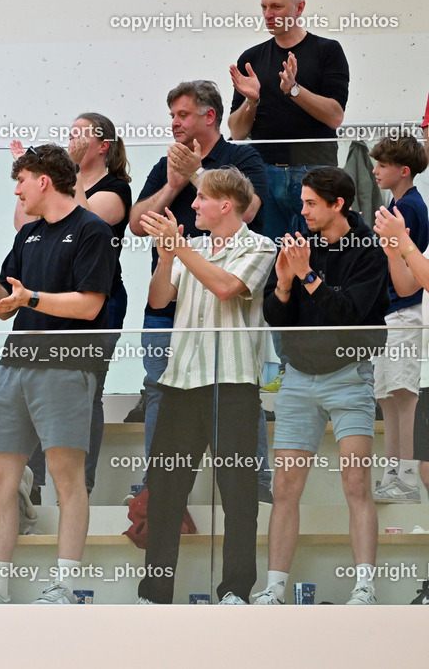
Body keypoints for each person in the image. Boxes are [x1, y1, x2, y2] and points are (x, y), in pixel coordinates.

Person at [0, 144, 116, 604]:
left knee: (67, 479)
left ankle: (65, 587)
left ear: (43, 180)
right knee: (0, 477)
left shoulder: (93, 231)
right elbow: (5, 307)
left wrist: (31, 299)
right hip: (13, 365)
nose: (17, 191)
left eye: (21, 180)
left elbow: (90, 305)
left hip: (66, 366)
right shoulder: (26, 237)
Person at [135, 167, 276, 605]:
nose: (192, 205)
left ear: (225, 205)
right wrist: (165, 257)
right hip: (180, 382)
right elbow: (159, 300)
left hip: (233, 385)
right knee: (164, 495)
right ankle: (154, 595)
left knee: (238, 495)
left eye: (200, 199)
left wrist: (180, 251)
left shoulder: (259, 245)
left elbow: (225, 287)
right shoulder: (189, 247)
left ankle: (235, 591)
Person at [127, 80, 271, 501]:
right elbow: (138, 223)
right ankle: (159, 489)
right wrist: (173, 184)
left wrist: (195, 173)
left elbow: (252, 207)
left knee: (240, 397)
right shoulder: (164, 164)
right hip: (170, 294)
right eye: (171, 115)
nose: (174, 123)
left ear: (210, 117)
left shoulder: (242, 156)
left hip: (221, 306)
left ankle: (255, 485)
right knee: (160, 390)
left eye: (183, 115)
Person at [255, 167, 388, 605]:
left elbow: (349, 315)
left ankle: (364, 587)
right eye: (303, 202)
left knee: (355, 483)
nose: (303, 210)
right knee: (285, 489)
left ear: (338, 205)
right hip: (298, 378)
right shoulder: (299, 242)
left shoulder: (367, 249)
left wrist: (308, 276)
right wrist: (286, 284)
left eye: (312, 203)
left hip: (349, 377)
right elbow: (276, 317)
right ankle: (274, 589)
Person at [228, 0, 349, 389]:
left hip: (313, 173)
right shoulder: (252, 58)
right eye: (263, 7)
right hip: (264, 172)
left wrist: (295, 90)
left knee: (313, 266)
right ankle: (282, 365)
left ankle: (319, 360)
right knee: (272, 269)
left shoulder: (328, 51)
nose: (268, 13)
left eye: (276, 6)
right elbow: (237, 131)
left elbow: (334, 117)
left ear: (299, 8)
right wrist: (252, 101)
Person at [14, 112, 132, 498]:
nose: (73, 140)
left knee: (88, 389)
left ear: (104, 146)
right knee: (33, 390)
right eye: (71, 134)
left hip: (99, 298)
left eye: (83, 135)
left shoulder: (116, 188)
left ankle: (82, 483)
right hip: (47, 299)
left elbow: (84, 219)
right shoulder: (59, 188)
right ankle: (33, 483)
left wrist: (71, 171)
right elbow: (23, 225)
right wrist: (29, 183)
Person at [366, 137, 428, 504]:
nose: (375, 170)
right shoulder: (398, 205)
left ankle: (404, 480)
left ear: (403, 171)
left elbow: (409, 273)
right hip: (394, 314)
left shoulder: (411, 209)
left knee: (404, 399)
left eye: (383, 165)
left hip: (407, 313)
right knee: (389, 398)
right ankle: (394, 477)